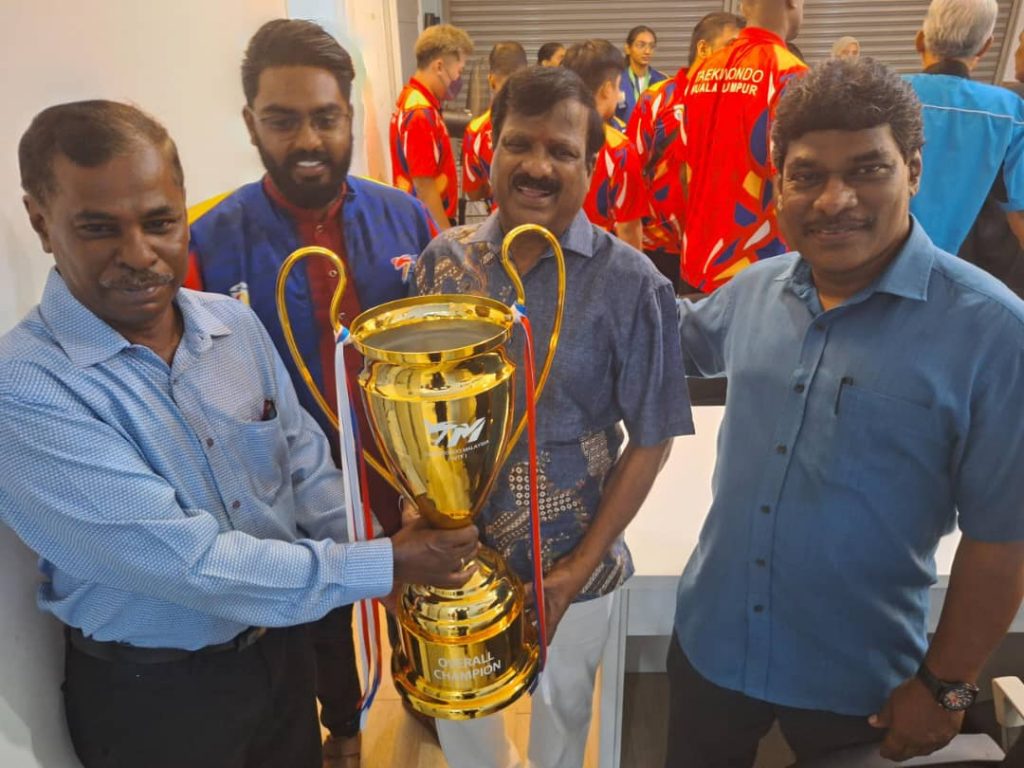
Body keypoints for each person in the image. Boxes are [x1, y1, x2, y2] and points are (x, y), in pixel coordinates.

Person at [0, 99, 480, 768]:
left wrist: (381, 548)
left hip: (280, 656)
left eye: (160, 222)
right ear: (41, 222)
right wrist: (383, 564)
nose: (138, 254)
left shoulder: (232, 324)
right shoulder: (25, 390)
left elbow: (303, 464)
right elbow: (189, 564)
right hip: (156, 700)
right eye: (99, 228)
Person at [668, 57, 1024, 767]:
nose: (834, 200)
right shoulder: (755, 290)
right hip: (713, 645)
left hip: (862, 678)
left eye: (867, 170)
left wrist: (946, 685)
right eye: (807, 176)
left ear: (913, 171)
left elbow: (1004, 537)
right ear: (779, 186)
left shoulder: (993, 333)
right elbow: (671, 342)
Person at [413, 66, 694, 768]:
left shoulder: (632, 284)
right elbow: (414, 413)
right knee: (464, 721)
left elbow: (653, 438)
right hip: (457, 562)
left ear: (591, 166)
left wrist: (576, 568)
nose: (538, 166)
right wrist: (418, 530)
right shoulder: (443, 263)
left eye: (562, 151)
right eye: (520, 144)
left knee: (565, 714)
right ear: (492, 151)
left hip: (578, 562)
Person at [184, 19, 436, 766]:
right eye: (283, 120)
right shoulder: (208, 241)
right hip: (286, 490)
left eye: (326, 118)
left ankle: (423, 694)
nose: (308, 140)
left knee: (413, 589)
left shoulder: (407, 218)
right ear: (250, 123)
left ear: (351, 116)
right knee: (319, 621)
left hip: (400, 471)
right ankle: (345, 729)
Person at [678, 0, 807, 292]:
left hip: (696, 268)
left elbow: (685, 172)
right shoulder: (791, 75)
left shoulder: (702, 71)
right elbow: (792, 186)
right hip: (761, 277)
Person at [627, 12, 745, 289]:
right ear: (704, 49)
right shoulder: (658, 99)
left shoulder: (740, 102)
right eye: (732, 46)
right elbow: (630, 171)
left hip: (718, 250)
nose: (740, 58)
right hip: (658, 248)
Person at [906, 0, 1024, 256]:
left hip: (875, 260)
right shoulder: (1008, 111)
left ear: (920, 40)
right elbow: (1020, 212)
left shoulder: (886, 94)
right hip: (957, 267)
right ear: (986, 46)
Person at [563, 39, 648, 251]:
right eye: (618, 86)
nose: (619, 94)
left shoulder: (542, 133)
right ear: (607, 89)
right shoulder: (618, 149)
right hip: (594, 258)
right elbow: (629, 230)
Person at [390, 23, 474, 230]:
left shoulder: (412, 99)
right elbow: (424, 186)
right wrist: (445, 236)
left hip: (419, 221)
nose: (458, 79)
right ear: (439, 67)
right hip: (426, 226)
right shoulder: (420, 113)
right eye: (459, 70)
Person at [462, 41, 528, 209]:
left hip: (502, 221)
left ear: (491, 80)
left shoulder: (476, 130)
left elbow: (474, 192)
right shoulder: (548, 120)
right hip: (549, 222)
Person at [615, 25, 667, 125]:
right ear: (627, 48)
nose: (647, 51)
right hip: (624, 134)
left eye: (651, 46)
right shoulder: (616, 80)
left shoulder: (662, 81)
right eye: (641, 45)